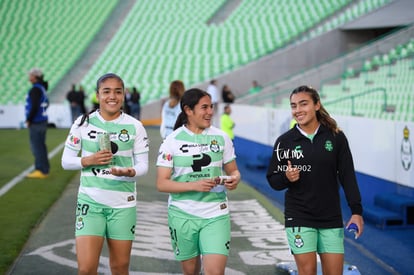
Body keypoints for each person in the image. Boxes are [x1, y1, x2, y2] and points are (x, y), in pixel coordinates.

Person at [266, 85, 364, 275]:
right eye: (293, 106)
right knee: (308, 271)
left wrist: (356, 212)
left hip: (331, 216)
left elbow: (347, 175)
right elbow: (273, 180)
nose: (298, 110)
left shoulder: (336, 137)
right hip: (299, 215)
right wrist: (286, 177)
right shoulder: (285, 141)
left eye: (303, 104)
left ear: (317, 105)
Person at [61, 73, 149, 275]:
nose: (112, 96)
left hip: (123, 204)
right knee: (86, 269)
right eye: (106, 91)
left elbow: (143, 166)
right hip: (90, 204)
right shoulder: (82, 123)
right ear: (97, 95)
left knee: (119, 268)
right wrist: (88, 160)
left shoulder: (135, 126)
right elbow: (66, 161)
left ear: (124, 95)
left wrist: (130, 171)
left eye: (118, 92)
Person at [156, 88, 241, 275]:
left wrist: (234, 179)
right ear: (188, 110)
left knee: (215, 272)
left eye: (210, 107)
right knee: (191, 272)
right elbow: (162, 183)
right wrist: (194, 185)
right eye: (204, 107)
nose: (210, 111)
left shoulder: (221, 137)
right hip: (182, 214)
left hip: (215, 213)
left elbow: (233, 171)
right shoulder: (172, 141)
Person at [25, 68, 50, 179]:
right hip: (42, 120)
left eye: (30, 75)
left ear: (34, 77)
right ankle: (45, 169)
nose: (29, 77)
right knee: (41, 146)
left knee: (37, 147)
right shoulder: (42, 88)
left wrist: (29, 119)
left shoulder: (35, 89)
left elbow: (34, 106)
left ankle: (40, 170)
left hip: (37, 122)